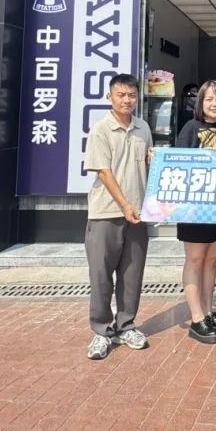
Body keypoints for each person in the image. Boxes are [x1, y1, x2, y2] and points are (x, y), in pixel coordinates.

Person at [83, 74, 152, 360]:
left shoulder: (143, 127)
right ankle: (101, 331)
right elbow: (104, 172)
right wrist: (124, 205)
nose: (127, 100)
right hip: (106, 213)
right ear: (109, 97)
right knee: (101, 275)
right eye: (121, 95)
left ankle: (126, 326)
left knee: (132, 274)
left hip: (137, 214)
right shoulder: (101, 129)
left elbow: (147, 164)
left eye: (131, 95)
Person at [175, 80, 216, 344]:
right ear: (200, 103)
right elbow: (179, 165)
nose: (215, 104)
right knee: (195, 260)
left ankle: (208, 310)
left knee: (211, 260)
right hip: (195, 207)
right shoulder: (191, 128)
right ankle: (196, 318)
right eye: (209, 99)